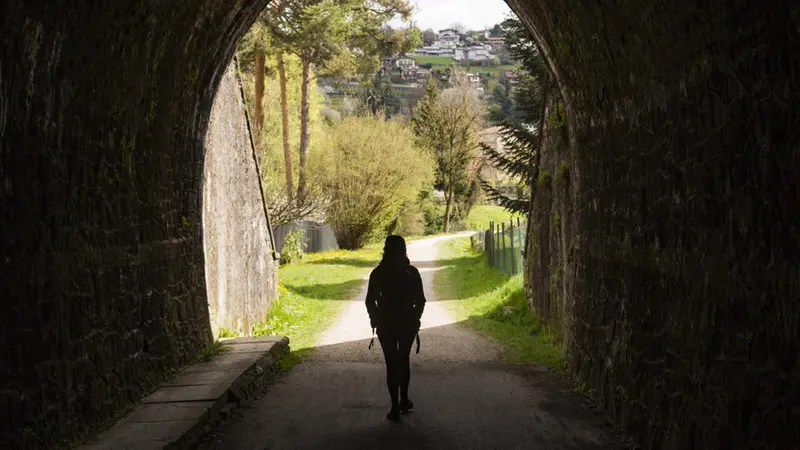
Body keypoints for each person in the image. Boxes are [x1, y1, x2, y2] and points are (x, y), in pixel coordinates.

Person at [365, 235, 426, 421]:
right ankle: (404, 399)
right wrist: (416, 318)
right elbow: (421, 300)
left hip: (385, 324)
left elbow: (369, 300)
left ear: (385, 249)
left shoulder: (378, 273)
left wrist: (374, 318)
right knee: (403, 360)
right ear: (404, 250)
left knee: (391, 364)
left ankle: (395, 407)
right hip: (407, 324)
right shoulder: (411, 272)